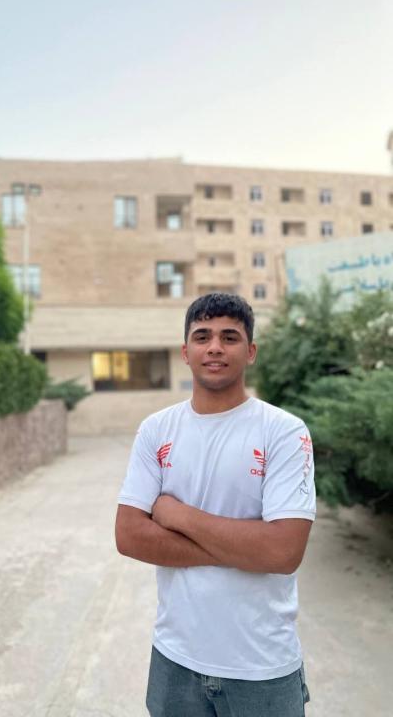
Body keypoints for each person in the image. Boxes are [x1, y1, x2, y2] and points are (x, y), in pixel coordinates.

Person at [115, 292, 315, 717]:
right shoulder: (156, 430)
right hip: (175, 659)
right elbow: (129, 536)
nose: (215, 347)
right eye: (202, 336)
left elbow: (283, 552)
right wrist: (245, 550)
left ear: (251, 351)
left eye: (230, 337)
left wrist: (177, 515)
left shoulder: (283, 432)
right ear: (185, 352)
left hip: (262, 667)